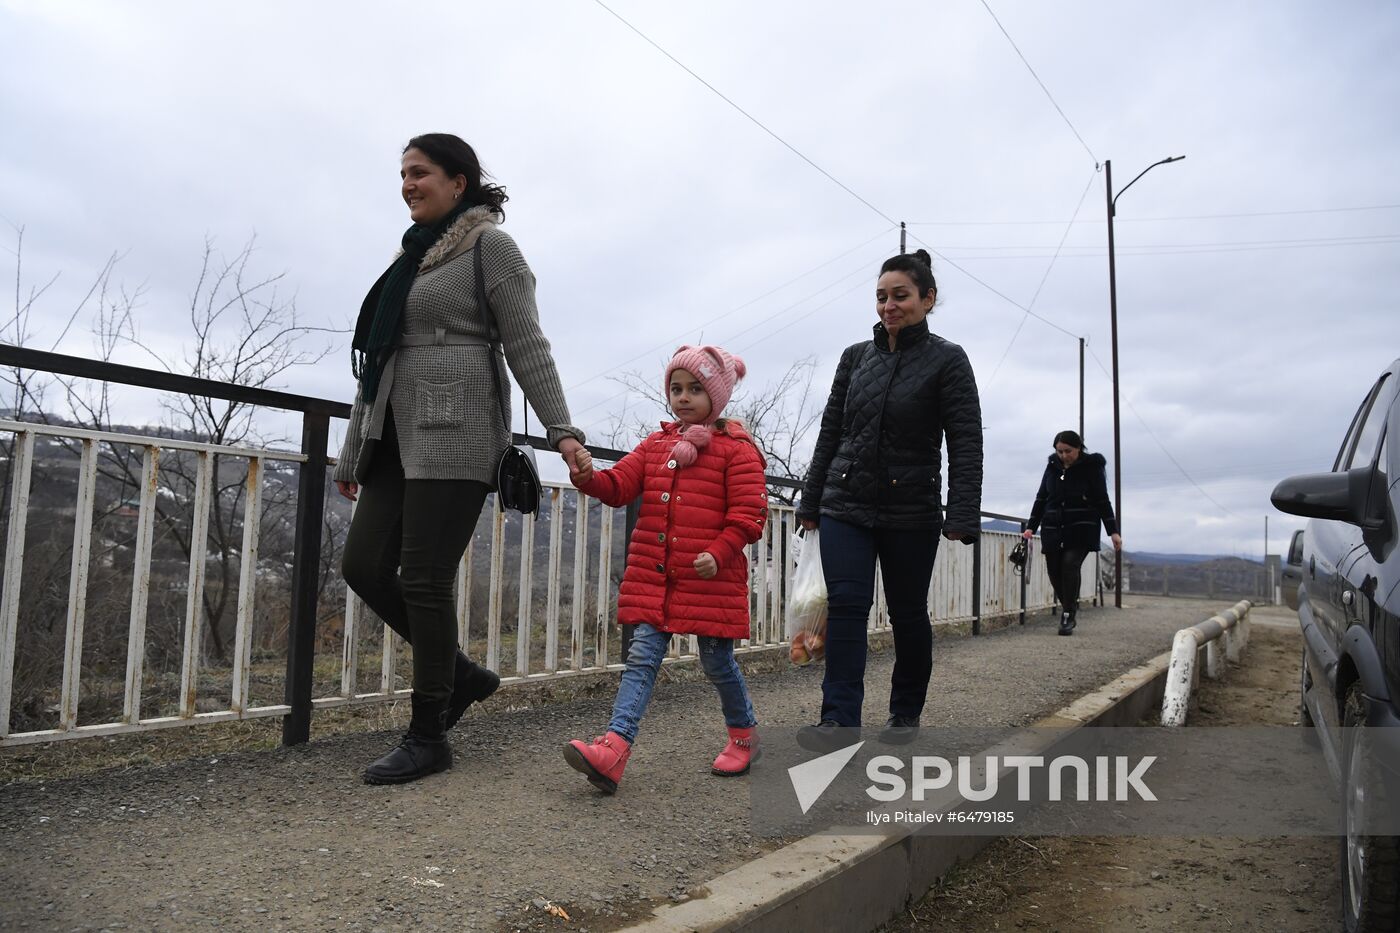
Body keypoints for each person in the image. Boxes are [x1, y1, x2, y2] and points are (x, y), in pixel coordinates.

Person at [334, 133, 587, 785]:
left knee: (422, 577)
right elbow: (379, 358)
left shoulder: (490, 247)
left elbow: (527, 343)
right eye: (402, 174)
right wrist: (351, 449)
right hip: (391, 431)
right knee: (362, 563)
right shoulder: (411, 257)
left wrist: (563, 429)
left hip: (456, 427)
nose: (407, 184)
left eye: (420, 173)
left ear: (459, 181)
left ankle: (428, 734)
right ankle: (465, 675)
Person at [795, 249, 983, 750]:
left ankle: (904, 713)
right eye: (881, 297)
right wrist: (810, 502)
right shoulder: (855, 357)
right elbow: (830, 430)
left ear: (928, 299)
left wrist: (962, 512)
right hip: (846, 503)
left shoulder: (948, 360)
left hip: (911, 510)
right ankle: (839, 722)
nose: (889, 306)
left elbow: (965, 439)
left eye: (900, 296)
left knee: (906, 613)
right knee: (848, 608)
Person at [562, 346, 767, 794]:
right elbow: (618, 486)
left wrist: (720, 551)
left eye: (695, 389)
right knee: (640, 660)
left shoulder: (737, 451)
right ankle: (613, 752)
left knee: (716, 662)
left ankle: (743, 735)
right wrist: (586, 474)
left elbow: (750, 515)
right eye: (676, 388)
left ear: (717, 395)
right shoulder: (656, 446)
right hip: (655, 580)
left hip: (709, 581)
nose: (683, 397)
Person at [1020, 430, 1121, 636]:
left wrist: (1113, 531)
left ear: (1079, 448)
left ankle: (1067, 614)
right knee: (1054, 571)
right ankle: (1069, 605)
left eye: (1068, 451)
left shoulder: (1092, 468)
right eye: (1060, 451)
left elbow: (1103, 500)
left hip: (1081, 526)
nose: (1064, 455)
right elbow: (1041, 498)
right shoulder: (1052, 467)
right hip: (1053, 526)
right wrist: (1031, 526)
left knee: (1070, 565)